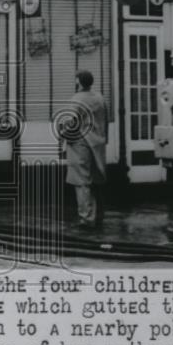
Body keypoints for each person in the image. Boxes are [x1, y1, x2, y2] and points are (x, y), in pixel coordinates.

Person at [62, 70, 108, 230]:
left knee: (81, 182)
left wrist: (63, 136)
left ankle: (86, 218)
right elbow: (105, 121)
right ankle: (99, 216)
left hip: (81, 144)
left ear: (79, 82)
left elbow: (70, 122)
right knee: (98, 181)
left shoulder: (76, 100)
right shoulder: (99, 98)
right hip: (98, 143)